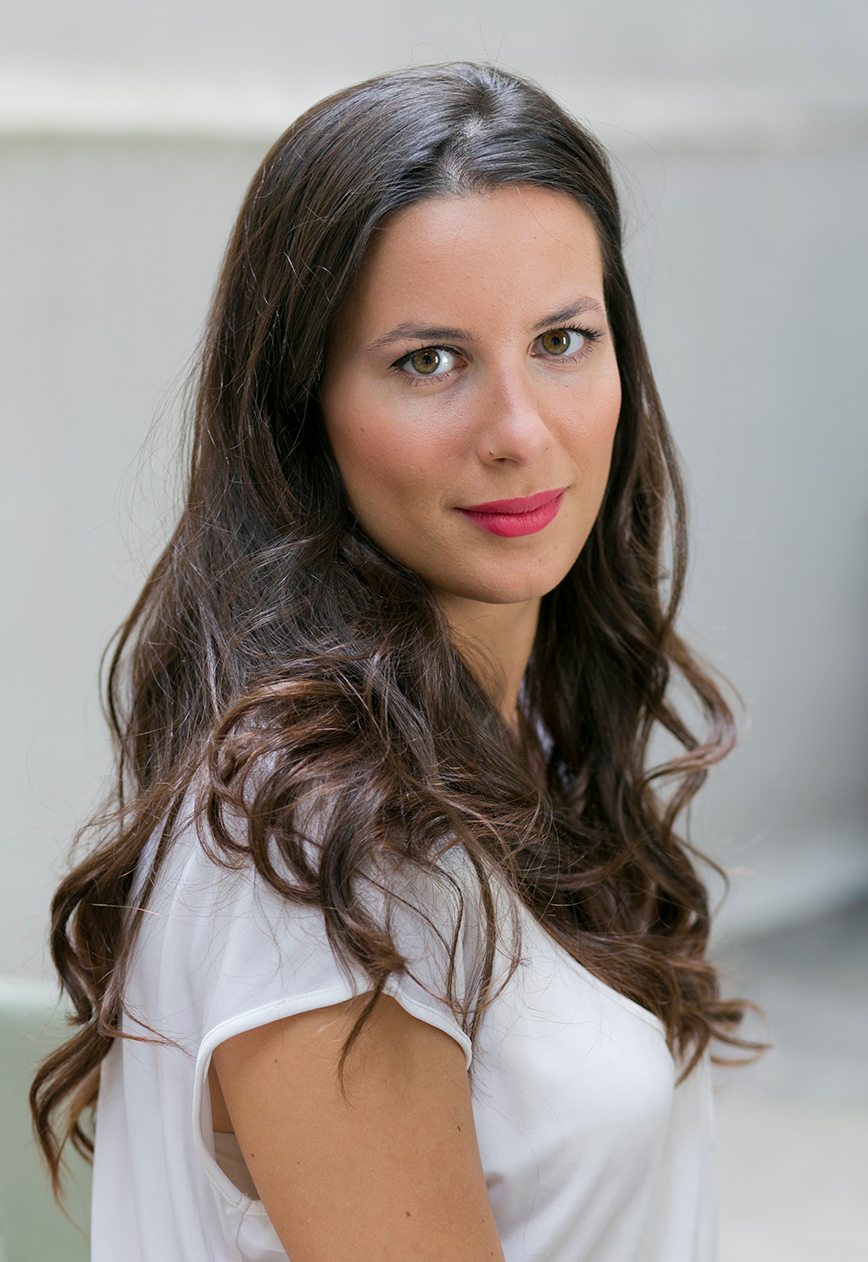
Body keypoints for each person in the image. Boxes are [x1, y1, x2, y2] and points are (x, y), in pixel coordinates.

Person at [32, 62, 751, 1262]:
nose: (519, 429)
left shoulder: (516, 735)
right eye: (429, 360)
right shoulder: (316, 844)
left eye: (562, 340)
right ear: (300, 409)